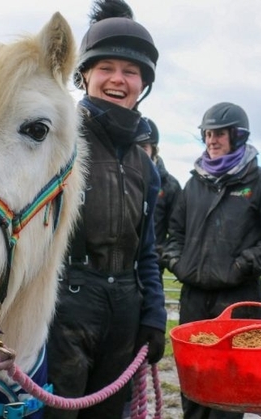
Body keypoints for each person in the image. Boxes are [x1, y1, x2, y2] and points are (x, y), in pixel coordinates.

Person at [45, 1, 167, 418]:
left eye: (130, 71)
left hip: (124, 313)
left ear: (142, 84)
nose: (118, 79)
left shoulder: (146, 167)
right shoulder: (59, 146)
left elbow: (146, 250)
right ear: (84, 76)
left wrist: (152, 314)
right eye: (106, 68)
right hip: (64, 308)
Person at [162, 102, 261, 419]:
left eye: (219, 134)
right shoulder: (194, 183)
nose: (211, 140)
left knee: (231, 386)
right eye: (207, 134)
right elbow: (173, 234)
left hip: (239, 300)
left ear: (238, 136)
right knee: (194, 381)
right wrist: (179, 263)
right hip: (194, 298)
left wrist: (242, 266)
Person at [137, 117, 182, 281]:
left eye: (143, 147)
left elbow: (177, 230)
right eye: (134, 147)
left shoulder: (170, 186)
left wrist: (161, 256)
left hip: (151, 272)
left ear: (154, 150)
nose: (139, 153)